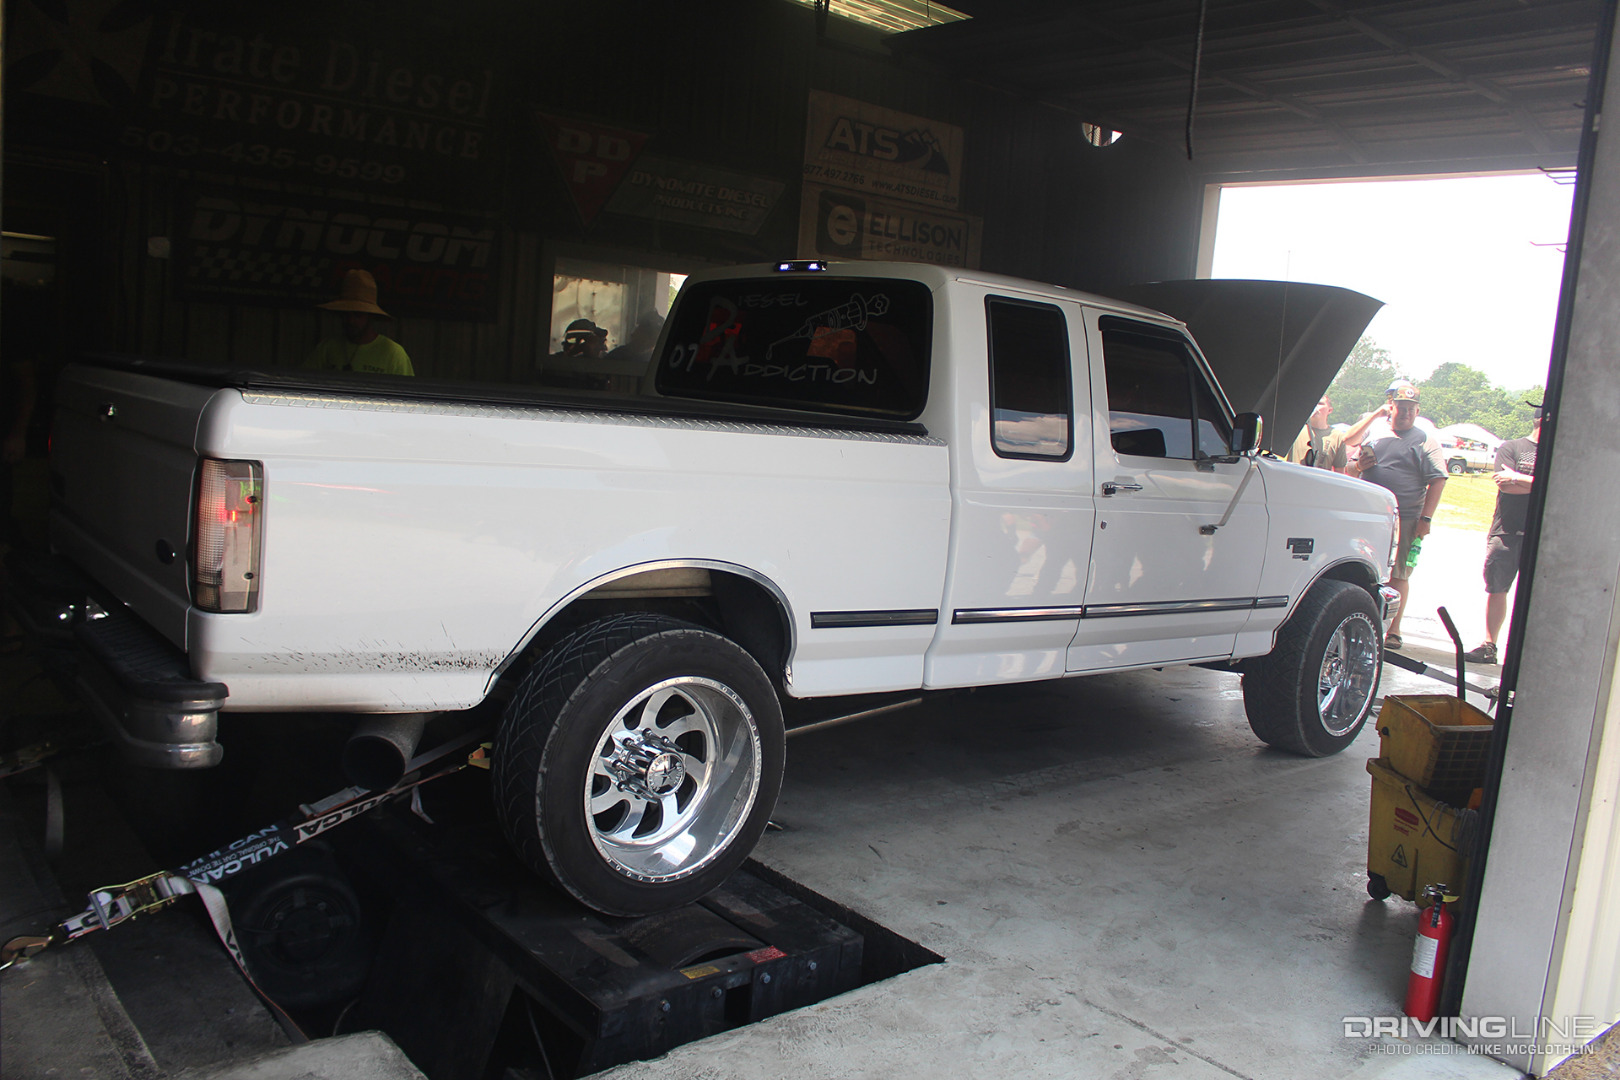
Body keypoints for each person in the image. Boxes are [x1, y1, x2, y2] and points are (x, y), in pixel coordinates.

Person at [1357, 382, 1447, 650]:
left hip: (1405, 519)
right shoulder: (1376, 433)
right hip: (1369, 515)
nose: (1405, 413)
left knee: (1398, 575)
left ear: (1417, 411)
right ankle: (1364, 623)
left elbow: (1438, 480)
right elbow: (1353, 464)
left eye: (1411, 408)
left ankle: (1393, 631)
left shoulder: (1425, 441)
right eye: (1401, 407)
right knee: (1364, 569)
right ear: (1391, 408)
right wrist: (1358, 465)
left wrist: (1426, 519)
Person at [1461, 406, 1543, 665]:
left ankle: (1527, 654)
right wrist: (1540, 483)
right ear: (1541, 420)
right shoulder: (1513, 448)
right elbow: (1505, 486)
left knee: (1536, 594)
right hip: (1506, 531)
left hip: (1540, 535)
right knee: (1497, 588)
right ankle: (1489, 646)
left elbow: (1558, 486)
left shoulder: (1557, 453)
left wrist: (1520, 478)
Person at [303, 269, 414, 376]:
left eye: (358, 315)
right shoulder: (327, 349)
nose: (351, 320)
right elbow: (305, 383)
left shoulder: (394, 354)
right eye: (346, 314)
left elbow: (407, 393)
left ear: (370, 316)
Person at [1288, 396, 1388, 472]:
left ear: (1330, 410)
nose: (1316, 406)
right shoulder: (1295, 429)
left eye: (1320, 403)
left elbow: (1339, 471)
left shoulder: (1337, 436)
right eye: (1313, 403)